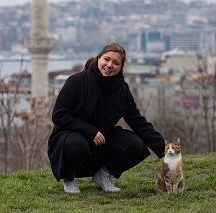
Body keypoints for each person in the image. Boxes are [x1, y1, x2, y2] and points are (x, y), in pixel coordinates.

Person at [47, 42, 166, 193]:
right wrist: (91, 131)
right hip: (69, 137)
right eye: (106, 59)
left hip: (101, 138)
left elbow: (137, 121)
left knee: (136, 144)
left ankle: (103, 175)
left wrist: (164, 147)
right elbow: (59, 115)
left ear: (121, 67)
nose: (109, 65)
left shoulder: (122, 89)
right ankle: (69, 178)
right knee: (77, 145)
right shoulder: (76, 81)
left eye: (115, 63)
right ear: (98, 59)